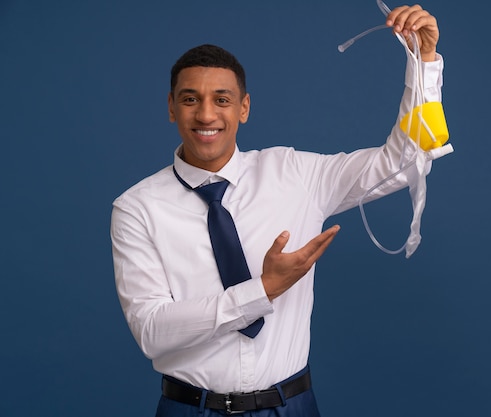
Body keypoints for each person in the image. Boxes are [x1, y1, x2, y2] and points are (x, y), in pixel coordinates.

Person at [111, 4, 444, 416]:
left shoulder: (296, 174)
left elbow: (406, 161)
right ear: (171, 107)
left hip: (291, 406)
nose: (207, 114)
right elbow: (153, 331)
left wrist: (423, 62)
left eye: (222, 99)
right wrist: (263, 290)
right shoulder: (137, 208)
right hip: (190, 409)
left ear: (244, 108)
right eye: (190, 99)